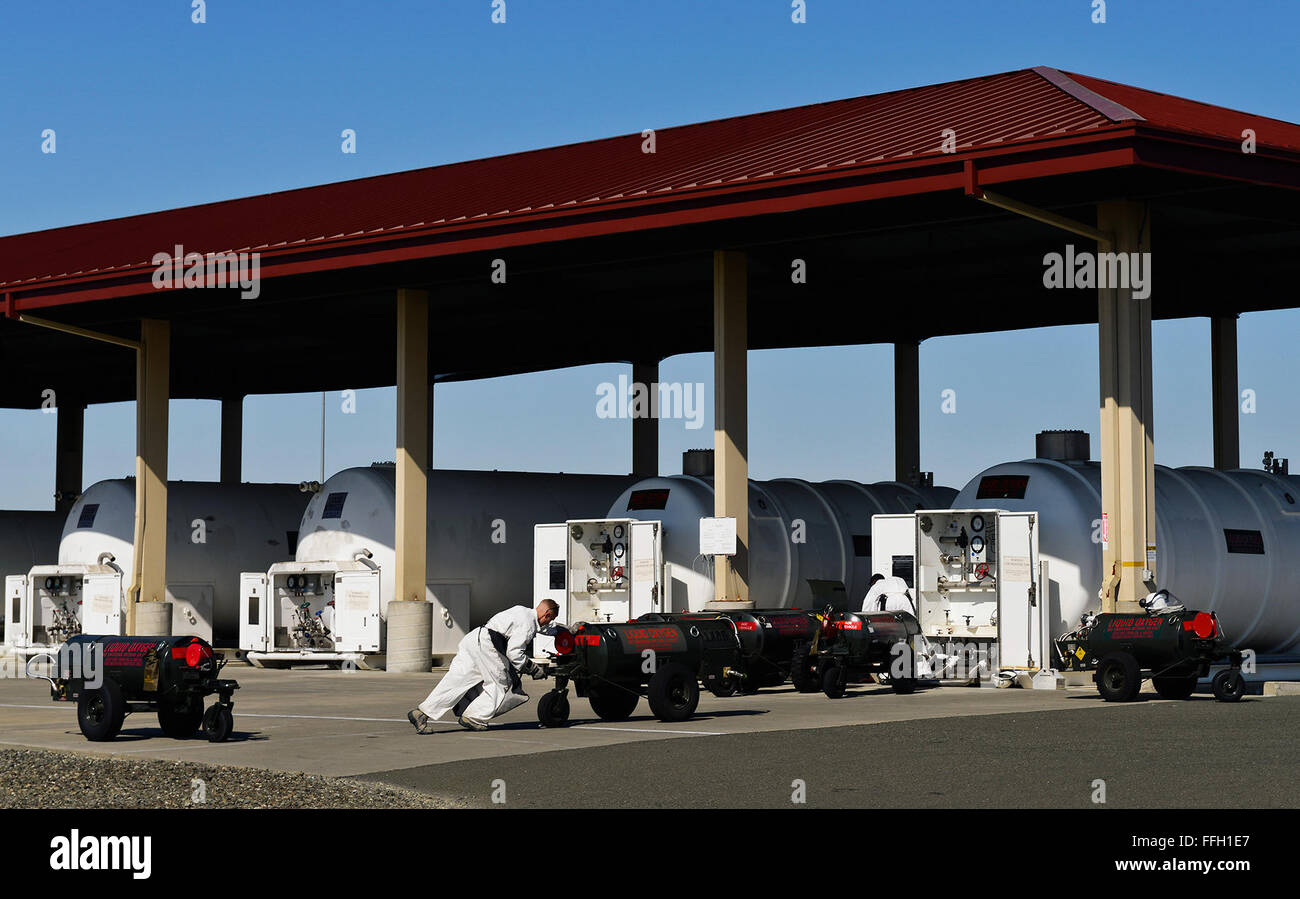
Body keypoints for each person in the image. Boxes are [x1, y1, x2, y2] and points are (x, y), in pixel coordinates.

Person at [408, 600, 558, 733]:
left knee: (456, 681)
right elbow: (514, 654)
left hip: (474, 638)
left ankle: (422, 713)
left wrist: (561, 630)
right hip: (488, 645)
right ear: (547, 614)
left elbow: (541, 629)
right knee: (502, 685)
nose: (548, 623)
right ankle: (474, 717)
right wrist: (533, 668)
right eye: (550, 619)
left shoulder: (522, 611)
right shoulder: (529, 624)